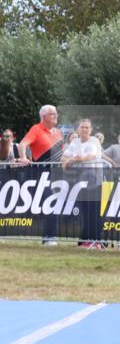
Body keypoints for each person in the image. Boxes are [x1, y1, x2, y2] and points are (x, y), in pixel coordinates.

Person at [18, 104, 65, 245]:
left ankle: (50, 236)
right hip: (42, 173)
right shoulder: (36, 129)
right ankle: (49, 237)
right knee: (50, 201)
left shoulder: (58, 132)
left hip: (58, 173)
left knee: (56, 203)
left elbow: (62, 153)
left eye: (56, 113)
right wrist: (23, 157)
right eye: (53, 114)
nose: (56, 116)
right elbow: (22, 144)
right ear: (44, 116)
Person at [62, 118, 106, 249]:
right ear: (78, 129)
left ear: (91, 130)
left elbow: (91, 156)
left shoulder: (94, 141)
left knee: (95, 212)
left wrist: (73, 160)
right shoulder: (75, 142)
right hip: (80, 182)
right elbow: (63, 158)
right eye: (82, 127)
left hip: (96, 181)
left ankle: (96, 241)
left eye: (87, 127)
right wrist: (72, 159)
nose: (84, 129)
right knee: (85, 212)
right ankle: (87, 240)